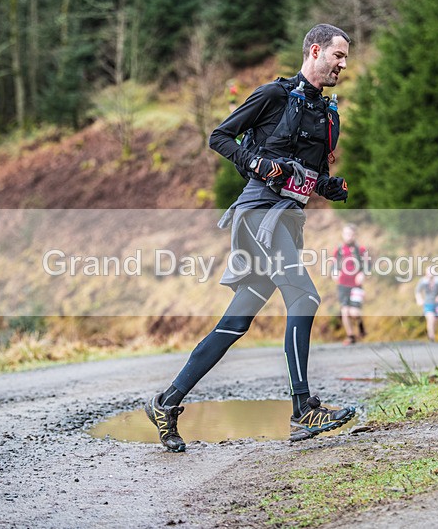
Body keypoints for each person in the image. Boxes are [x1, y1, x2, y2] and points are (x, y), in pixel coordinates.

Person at [144, 24, 355, 452]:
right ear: (315, 51)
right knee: (305, 298)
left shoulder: (326, 114)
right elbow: (218, 136)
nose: (343, 64)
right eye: (338, 55)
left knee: (237, 321)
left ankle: (167, 402)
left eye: (346, 57)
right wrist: (257, 163)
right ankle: (303, 408)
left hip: (288, 220)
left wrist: (329, 188)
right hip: (257, 213)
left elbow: (312, 176)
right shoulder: (273, 95)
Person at [332, 223, 368, 345]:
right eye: (347, 234)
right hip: (343, 284)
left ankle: (360, 324)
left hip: (356, 285)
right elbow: (334, 264)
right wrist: (334, 272)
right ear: (343, 235)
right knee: (344, 311)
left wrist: (362, 273)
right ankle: (351, 336)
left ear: (355, 235)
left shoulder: (361, 250)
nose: (349, 236)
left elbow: (368, 265)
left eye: (351, 234)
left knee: (354, 312)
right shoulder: (339, 249)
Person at [415, 268, 438, 342]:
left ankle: (432, 333)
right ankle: (431, 336)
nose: (430, 276)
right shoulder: (423, 281)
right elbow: (417, 291)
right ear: (426, 273)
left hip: (437, 304)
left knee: (435, 320)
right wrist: (419, 299)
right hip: (427, 304)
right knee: (430, 319)